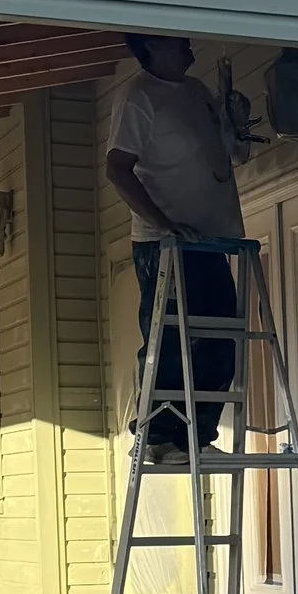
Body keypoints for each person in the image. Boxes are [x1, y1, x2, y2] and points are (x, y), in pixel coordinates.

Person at [104, 32, 252, 462]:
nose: (189, 45)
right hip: (166, 244)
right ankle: (158, 439)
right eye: (178, 39)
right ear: (152, 46)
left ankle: (196, 438)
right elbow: (117, 169)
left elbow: (232, 154)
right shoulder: (139, 97)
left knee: (219, 341)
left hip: (210, 240)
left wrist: (235, 123)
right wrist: (163, 223)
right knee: (171, 342)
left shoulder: (197, 92)